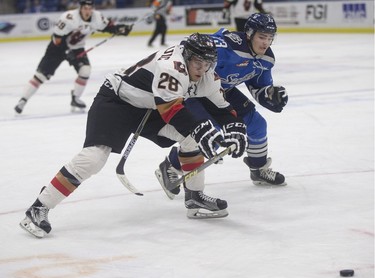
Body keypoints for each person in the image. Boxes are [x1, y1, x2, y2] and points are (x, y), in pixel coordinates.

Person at [19, 33, 248, 238]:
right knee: (93, 158)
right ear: (187, 57)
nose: (202, 69)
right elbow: (170, 109)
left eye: (208, 63)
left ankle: (194, 197)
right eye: (198, 62)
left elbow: (221, 107)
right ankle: (39, 207)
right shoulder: (172, 66)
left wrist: (236, 126)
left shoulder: (207, 74)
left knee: (192, 139)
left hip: (149, 107)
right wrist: (200, 128)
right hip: (117, 100)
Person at [155, 13, 288, 199]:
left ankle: (258, 168)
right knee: (212, 135)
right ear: (249, 34)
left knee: (257, 125)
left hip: (224, 92)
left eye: (269, 38)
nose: (266, 43)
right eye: (262, 37)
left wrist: (271, 95)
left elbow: (260, 87)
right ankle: (170, 166)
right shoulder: (227, 45)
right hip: (199, 89)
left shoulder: (266, 60)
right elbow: (191, 45)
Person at [14, 0, 132, 114]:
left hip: (77, 48)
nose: (88, 11)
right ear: (80, 8)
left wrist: (120, 29)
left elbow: (108, 27)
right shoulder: (69, 18)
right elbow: (57, 38)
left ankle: (75, 98)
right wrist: (66, 51)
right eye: (85, 8)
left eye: (90, 8)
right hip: (57, 49)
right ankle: (23, 100)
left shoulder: (97, 17)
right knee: (40, 76)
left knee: (85, 70)